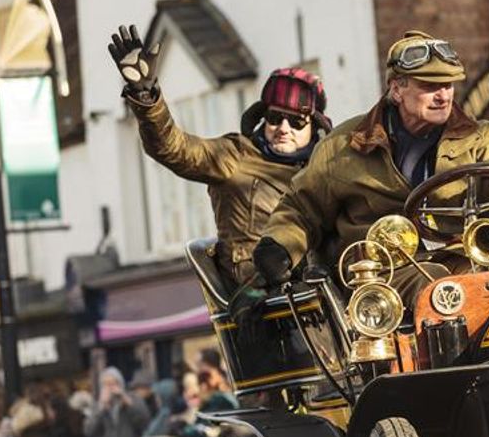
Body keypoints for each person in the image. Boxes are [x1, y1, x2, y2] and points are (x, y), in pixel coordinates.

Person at [255, 30, 489, 308]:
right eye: (429, 86)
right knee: (439, 288)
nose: (443, 96)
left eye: (448, 85)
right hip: (382, 270)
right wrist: (280, 245)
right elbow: (302, 206)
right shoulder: (343, 146)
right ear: (397, 89)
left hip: (462, 254)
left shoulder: (479, 136)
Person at [108, 25, 332, 287]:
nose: (283, 128)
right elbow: (173, 148)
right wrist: (145, 97)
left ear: (314, 127)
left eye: (296, 122)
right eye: (274, 117)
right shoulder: (234, 155)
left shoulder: (327, 169)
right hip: (260, 297)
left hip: (321, 290)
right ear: (262, 118)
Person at [84, 367, 150, 437]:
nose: (110, 388)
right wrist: (101, 407)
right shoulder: (97, 405)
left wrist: (127, 402)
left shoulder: (133, 399)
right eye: (106, 385)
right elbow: (89, 432)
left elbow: (145, 422)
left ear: (120, 384)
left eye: (113, 384)